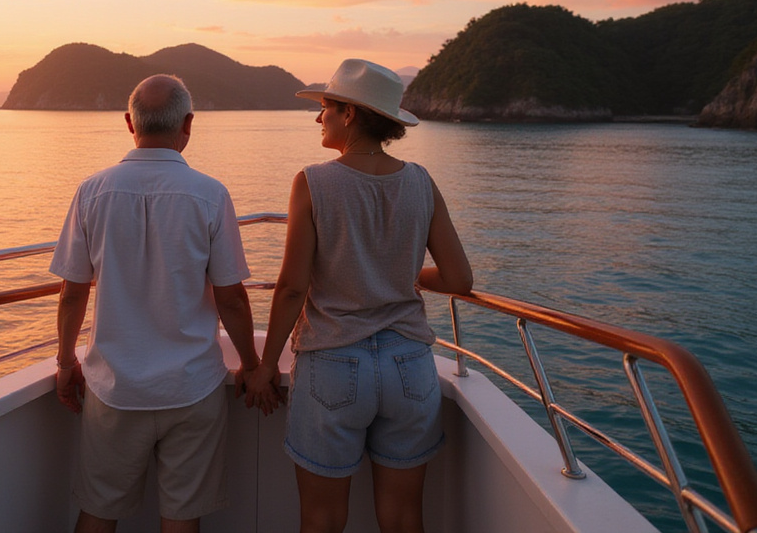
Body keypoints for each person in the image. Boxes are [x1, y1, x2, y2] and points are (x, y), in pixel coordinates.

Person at [242, 59, 474, 533]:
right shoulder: (421, 182)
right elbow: (458, 280)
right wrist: (406, 276)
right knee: (405, 517)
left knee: (323, 519)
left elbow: (292, 287)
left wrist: (267, 367)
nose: (318, 117)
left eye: (325, 107)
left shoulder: (314, 181)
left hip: (333, 363)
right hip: (409, 364)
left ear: (349, 114)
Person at [52, 74, 261, 533]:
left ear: (130, 122)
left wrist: (67, 362)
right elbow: (232, 298)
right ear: (188, 124)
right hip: (192, 387)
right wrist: (250, 362)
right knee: (182, 519)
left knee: (98, 512)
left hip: (114, 388)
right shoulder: (210, 194)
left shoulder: (92, 191)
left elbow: (72, 293)